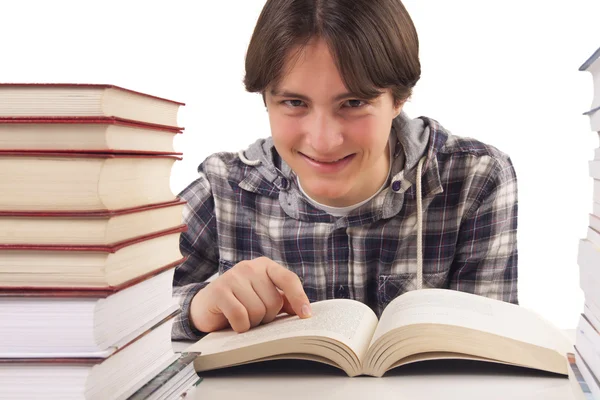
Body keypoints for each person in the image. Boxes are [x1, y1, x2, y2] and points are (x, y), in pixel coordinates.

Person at [172, 0, 518, 340]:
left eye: (353, 103)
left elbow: (488, 352)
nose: (323, 141)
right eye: (294, 103)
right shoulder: (224, 186)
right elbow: (121, 323)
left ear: (399, 99)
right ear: (266, 98)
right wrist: (198, 307)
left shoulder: (477, 177)